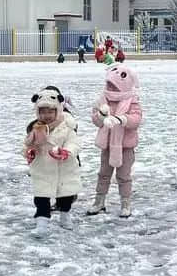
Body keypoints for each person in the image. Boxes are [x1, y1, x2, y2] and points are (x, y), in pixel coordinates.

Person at [23, 89, 81, 236]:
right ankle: (42, 222)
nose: (46, 116)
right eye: (42, 112)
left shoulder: (66, 127)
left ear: (58, 110)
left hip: (64, 168)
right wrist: (29, 152)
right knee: (41, 197)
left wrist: (66, 152)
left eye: (50, 112)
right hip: (43, 169)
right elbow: (26, 145)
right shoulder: (35, 129)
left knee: (65, 196)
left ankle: (65, 215)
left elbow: (74, 143)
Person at [90, 63, 143, 218]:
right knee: (104, 173)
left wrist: (122, 119)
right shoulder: (103, 99)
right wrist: (101, 117)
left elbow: (137, 118)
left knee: (123, 175)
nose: (111, 88)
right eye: (109, 85)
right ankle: (99, 201)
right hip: (107, 145)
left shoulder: (131, 100)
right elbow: (95, 118)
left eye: (114, 86)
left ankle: (125, 203)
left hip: (125, 146)